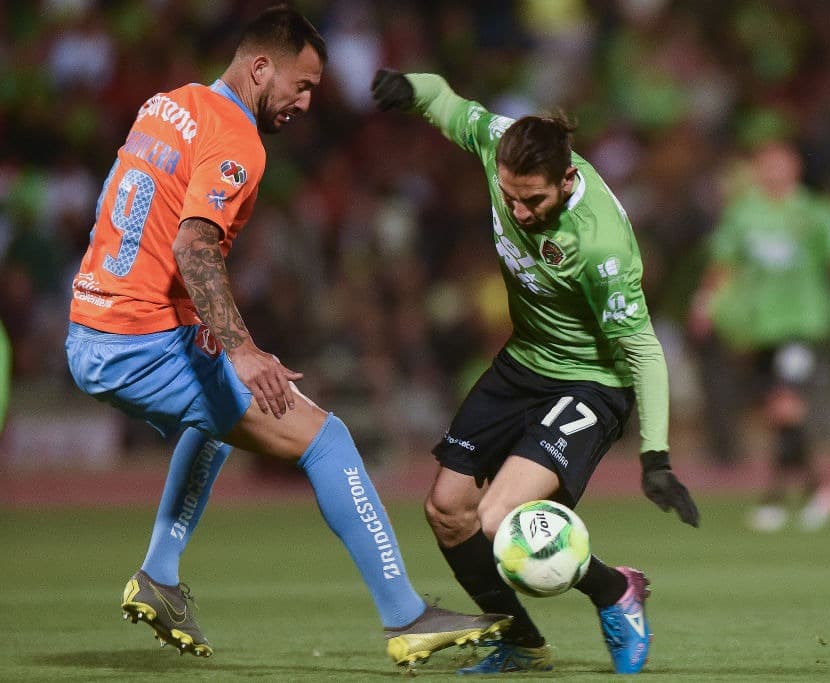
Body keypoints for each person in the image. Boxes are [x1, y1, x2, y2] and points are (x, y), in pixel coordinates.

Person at [64, 5, 509, 669]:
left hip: (95, 321)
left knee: (215, 418)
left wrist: (210, 339)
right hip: (138, 338)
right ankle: (408, 615)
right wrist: (241, 347)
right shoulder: (238, 138)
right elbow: (193, 244)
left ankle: (160, 573)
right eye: (300, 86)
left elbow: (133, 209)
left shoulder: (168, 105)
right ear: (260, 66)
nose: (306, 101)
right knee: (325, 437)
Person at [371, 69, 700, 675]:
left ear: (567, 179)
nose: (518, 211)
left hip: (590, 383)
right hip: (523, 362)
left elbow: (644, 351)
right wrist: (410, 88)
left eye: (535, 200)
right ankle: (522, 644)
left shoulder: (601, 246)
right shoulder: (500, 142)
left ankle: (614, 591)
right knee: (446, 509)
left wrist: (657, 458)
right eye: (509, 197)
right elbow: (449, 101)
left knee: (497, 521)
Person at [688, 140, 830, 532]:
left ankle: (777, 497)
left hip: (804, 324)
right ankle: (814, 487)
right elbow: (723, 264)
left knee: (785, 404)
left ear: (795, 168)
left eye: (780, 164)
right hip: (759, 329)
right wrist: (704, 304)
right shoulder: (743, 215)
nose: (773, 172)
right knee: (776, 412)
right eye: (766, 165)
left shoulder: (816, 212)